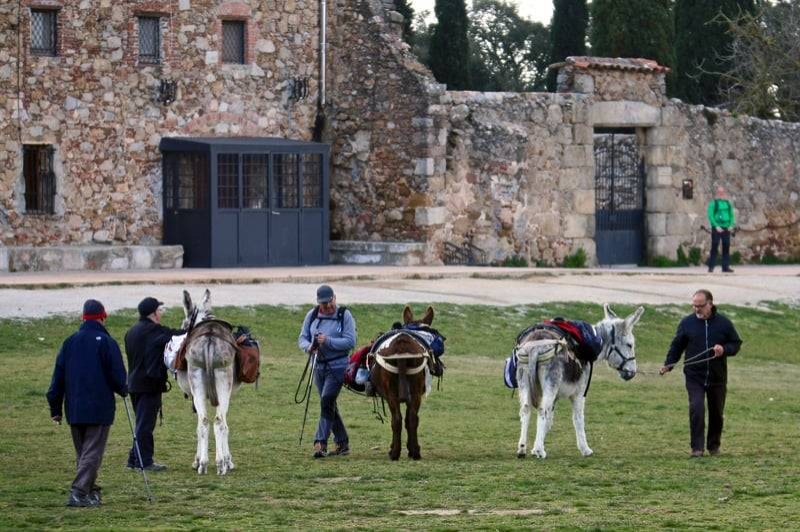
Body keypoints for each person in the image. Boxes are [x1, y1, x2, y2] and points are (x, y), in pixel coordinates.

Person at [46, 299, 128, 507]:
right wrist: (124, 390)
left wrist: (55, 408)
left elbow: (58, 378)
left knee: (83, 454)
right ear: (102, 317)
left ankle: (91, 491)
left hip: (74, 407)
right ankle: (78, 492)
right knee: (92, 453)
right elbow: (118, 376)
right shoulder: (107, 343)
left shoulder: (69, 342)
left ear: (83, 318)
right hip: (99, 407)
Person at [660, 289, 742, 457]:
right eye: (694, 305)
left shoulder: (724, 323)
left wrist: (724, 349)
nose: (697, 309)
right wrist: (669, 364)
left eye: (700, 305)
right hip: (694, 376)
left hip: (717, 377)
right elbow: (677, 346)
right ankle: (697, 448)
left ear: (710, 304)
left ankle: (714, 447)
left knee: (716, 413)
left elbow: (736, 344)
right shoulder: (686, 323)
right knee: (696, 408)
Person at [124, 297, 184, 472]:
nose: (161, 313)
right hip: (148, 385)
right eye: (159, 310)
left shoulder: (132, 331)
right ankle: (145, 462)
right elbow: (176, 335)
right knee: (145, 425)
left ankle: (134, 459)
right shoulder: (153, 331)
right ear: (153, 313)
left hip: (133, 383)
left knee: (140, 423)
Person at [298, 285, 357, 458]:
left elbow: (350, 341)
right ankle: (342, 442)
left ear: (334, 298)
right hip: (318, 366)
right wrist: (310, 347)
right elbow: (302, 337)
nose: (327, 307)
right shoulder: (312, 315)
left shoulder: (344, 315)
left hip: (338, 366)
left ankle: (320, 443)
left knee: (326, 401)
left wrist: (327, 341)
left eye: (329, 302)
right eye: (323, 304)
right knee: (329, 405)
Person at [707, 185, 735, 273]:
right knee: (714, 246)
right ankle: (711, 266)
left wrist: (731, 225)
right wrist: (716, 226)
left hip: (726, 227)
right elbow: (711, 215)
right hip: (717, 228)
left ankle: (725, 266)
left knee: (726, 247)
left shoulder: (727, 203)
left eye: (722, 192)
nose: (721, 194)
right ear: (717, 193)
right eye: (719, 192)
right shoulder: (713, 203)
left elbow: (731, 215)